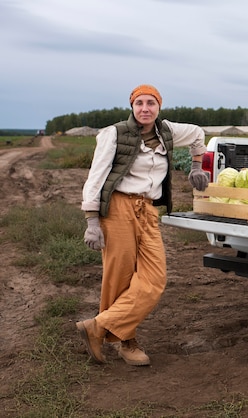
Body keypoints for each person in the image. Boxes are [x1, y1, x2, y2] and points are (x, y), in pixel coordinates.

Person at [76, 84, 209, 366]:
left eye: (151, 103)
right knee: (120, 278)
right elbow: (96, 177)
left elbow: (198, 133)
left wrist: (197, 165)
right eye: (140, 103)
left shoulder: (168, 131)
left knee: (154, 279)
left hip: (147, 210)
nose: (145, 109)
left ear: (159, 107)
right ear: (132, 106)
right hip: (118, 209)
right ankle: (127, 342)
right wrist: (91, 221)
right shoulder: (113, 134)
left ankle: (98, 327)